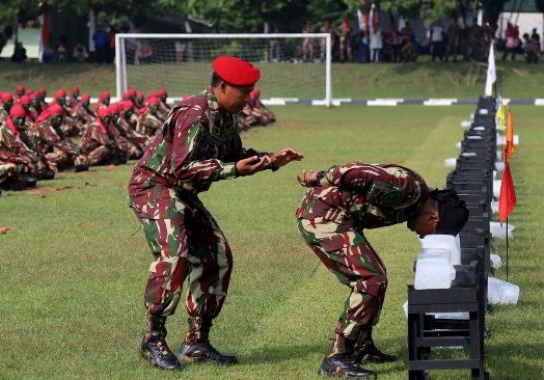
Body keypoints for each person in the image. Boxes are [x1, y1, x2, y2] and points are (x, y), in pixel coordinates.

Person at [128, 55, 304, 371]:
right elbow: (183, 168)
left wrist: (270, 160)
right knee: (175, 255)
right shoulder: (194, 115)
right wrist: (233, 169)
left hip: (181, 191)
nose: (248, 99)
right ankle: (152, 339)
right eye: (244, 92)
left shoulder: (225, 116)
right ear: (222, 87)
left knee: (217, 256)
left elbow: (234, 156)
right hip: (155, 186)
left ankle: (196, 341)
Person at [295, 162, 469, 378]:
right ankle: (337, 357)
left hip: (339, 219)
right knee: (370, 279)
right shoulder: (407, 188)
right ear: (434, 216)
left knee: (376, 277)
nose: (423, 237)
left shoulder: (415, 200)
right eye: (431, 233)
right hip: (322, 216)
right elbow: (349, 171)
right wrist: (319, 178)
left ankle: (362, 346)